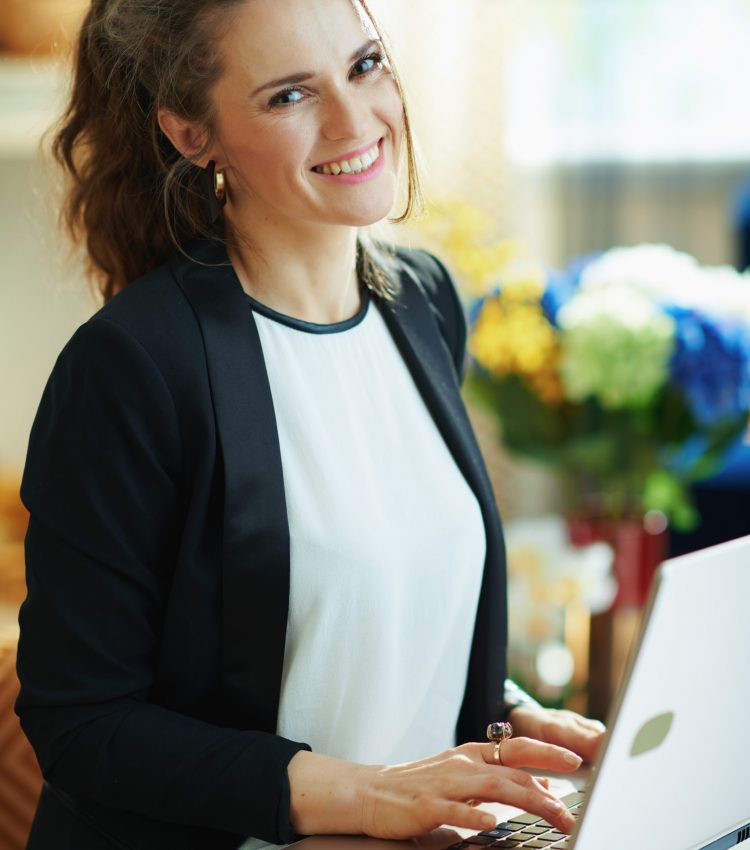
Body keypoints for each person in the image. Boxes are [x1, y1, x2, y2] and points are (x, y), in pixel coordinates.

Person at [15, 1, 606, 848]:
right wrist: (365, 795)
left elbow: (368, 614)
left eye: (365, 65)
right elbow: (84, 724)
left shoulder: (425, 301)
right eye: (289, 95)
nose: (354, 119)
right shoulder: (133, 368)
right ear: (191, 132)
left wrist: (505, 715)